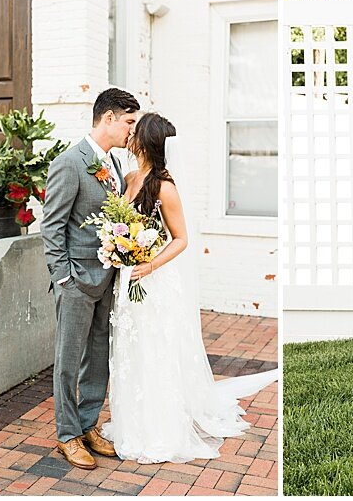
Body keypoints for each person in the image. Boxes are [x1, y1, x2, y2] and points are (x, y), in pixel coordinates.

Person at [98, 113, 253, 463]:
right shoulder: (128, 178)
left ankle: (159, 429)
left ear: (146, 141)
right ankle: (131, 422)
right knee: (130, 351)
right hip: (129, 279)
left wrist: (148, 263)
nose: (129, 135)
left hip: (153, 280)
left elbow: (181, 238)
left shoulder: (164, 187)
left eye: (135, 131)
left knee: (155, 351)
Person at [40, 87, 139, 470]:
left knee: (98, 358)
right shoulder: (69, 162)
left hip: (107, 278)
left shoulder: (113, 164)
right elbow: (52, 227)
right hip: (77, 281)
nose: (132, 130)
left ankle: (88, 424)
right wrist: (64, 278)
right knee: (68, 361)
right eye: (129, 121)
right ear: (109, 118)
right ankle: (67, 435)